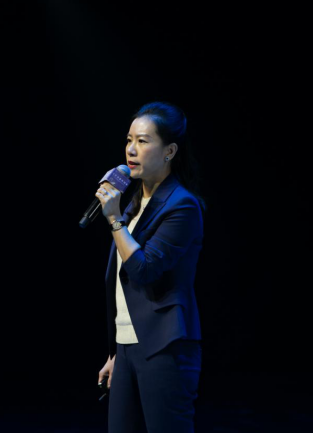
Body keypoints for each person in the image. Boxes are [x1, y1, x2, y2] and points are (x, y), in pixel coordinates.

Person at [95, 101, 207, 433]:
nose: (131, 149)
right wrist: (118, 351)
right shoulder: (134, 203)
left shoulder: (182, 206)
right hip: (128, 347)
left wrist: (114, 219)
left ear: (169, 151)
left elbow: (144, 271)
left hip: (164, 347)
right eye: (129, 140)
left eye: (143, 141)